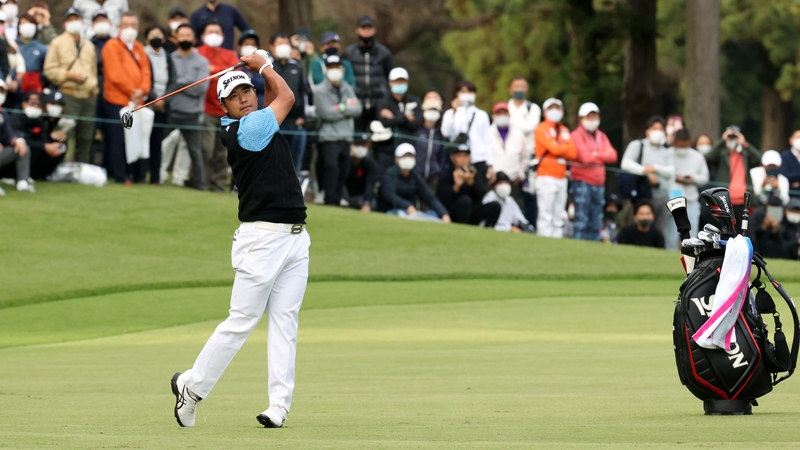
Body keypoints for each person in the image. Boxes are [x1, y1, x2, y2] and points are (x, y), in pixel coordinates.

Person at [171, 49, 310, 430]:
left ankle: (278, 406)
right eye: (234, 96)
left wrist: (257, 70)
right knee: (242, 320)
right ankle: (192, 389)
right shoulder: (247, 129)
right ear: (226, 109)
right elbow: (287, 97)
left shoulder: (260, 120)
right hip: (262, 240)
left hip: (296, 239)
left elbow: (274, 100)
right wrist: (264, 64)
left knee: (285, 323)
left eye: (247, 90)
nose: (244, 97)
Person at [42, 7, 97, 164]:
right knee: (64, 133)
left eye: (77, 19)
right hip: (68, 93)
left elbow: (93, 71)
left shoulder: (89, 45)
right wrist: (68, 75)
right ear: (65, 23)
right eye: (70, 19)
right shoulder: (57, 43)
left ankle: (81, 168)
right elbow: (49, 70)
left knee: (85, 137)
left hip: (88, 95)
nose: (74, 23)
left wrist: (94, 88)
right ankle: (57, 167)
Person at [101, 11, 150, 184]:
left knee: (138, 138)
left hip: (138, 102)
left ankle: (137, 174)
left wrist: (142, 90)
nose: (130, 29)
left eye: (133, 25)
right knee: (118, 141)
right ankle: (120, 175)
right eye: (126, 25)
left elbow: (146, 72)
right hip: (117, 101)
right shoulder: (111, 46)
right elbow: (115, 75)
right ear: (119, 27)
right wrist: (132, 92)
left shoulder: (139, 47)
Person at [313, 54, 361, 206]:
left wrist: (339, 107)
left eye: (337, 67)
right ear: (326, 69)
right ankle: (330, 199)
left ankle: (338, 198)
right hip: (328, 137)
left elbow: (357, 109)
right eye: (331, 67)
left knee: (344, 169)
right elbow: (326, 113)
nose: (335, 70)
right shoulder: (319, 90)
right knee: (331, 168)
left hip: (345, 136)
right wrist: (346, 107)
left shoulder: (347, 88)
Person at [197, 20, 239, 192]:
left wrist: (212, 69)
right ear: (202, 35)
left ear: (223, 36)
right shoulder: (198, 53)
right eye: (210, 31)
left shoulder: (230, 55)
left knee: (222, 153)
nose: (214, 34)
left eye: (217, 31)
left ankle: (218, 186)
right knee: (205, 149)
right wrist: (222, 72)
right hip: (204, 109)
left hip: (225, 111)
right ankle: (200, 181)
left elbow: (236, 75)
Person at [166, 24, 209, 191]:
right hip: (171, 111)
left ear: (194, 39)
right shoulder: (170, 58)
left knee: (195, 151)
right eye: (181, 35)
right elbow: (169, 85)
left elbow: (201, 88)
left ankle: (199, 184)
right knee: (158, 144)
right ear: (176, 38)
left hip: (192, 113)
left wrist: (180, 84)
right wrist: (186, 83)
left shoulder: (201, 61)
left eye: (188, 35)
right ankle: (152, 176)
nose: (184, 38)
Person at [620, 116, 675, 238]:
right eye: (655, 128)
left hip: (662, 195)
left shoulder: (667, 150)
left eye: (661, 129)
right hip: (642, 195)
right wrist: (645, 172)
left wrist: (655, 168)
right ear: (647, 131)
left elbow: (671, 171)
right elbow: (626, 163)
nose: (658, 132)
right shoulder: (638, 145)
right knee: (637, 228)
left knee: (658, 230)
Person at [571, 102, 617, 241]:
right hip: (582, 181)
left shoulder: (601, 136)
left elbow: (613, 155)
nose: (592, 120)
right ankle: (578, 247)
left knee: (596, 219)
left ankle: (593, 248)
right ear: (581, 119)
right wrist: (601, 155)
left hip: (599, 183)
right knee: (581, 218)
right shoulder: (576, 135)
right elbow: (584, 157)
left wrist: (595, 154)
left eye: (594, 116)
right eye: (588, 116)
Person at [704, 125, 761, 231]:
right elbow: (709, 157)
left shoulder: (745, 155)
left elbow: (758, 158)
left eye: (734, 137)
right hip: (723, 200)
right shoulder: (721, 155)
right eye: (730, 137)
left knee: (742, 231)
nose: (732, 140)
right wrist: (722, 140)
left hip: (742, 202)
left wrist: (744, 143)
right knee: (723, 230)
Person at [534, 98, 577, 238]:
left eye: (557, 108)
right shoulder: (542, 128)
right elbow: (554, 148)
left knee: (559, 214)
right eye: (551, 108)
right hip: (546, 175)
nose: (555, 111)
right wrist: (561, 148)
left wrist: (560, 148)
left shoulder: (564, 130)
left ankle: (557, 240)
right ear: (545, 112)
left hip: (562, 176)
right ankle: (544, 240)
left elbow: (573, 152)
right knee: (546, 213)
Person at [342, 16, 393, 132]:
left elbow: (389, 77)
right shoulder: (349, 53)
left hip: (379, 103)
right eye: (363, 27)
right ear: (357, 30)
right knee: (358, 140)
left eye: (369, 28)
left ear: (374, 30)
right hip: (356, 103)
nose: (366, 31)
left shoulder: (384, 53)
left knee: (379, 139)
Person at [378, 142, 450, 221]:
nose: (408, 159)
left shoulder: (415, 176)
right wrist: (407, 206)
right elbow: (390, 196)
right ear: (397, 159)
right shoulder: (389, 174)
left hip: (413, 213)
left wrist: (444, 213)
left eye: (410, 156)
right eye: (404, 156)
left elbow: (429, 197)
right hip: (393, 211)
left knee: (433, 214)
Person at [371, 67, 422, 174]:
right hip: (386, 150)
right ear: (390, 83)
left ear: (407, 83)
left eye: (402, 81)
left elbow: (417, 123)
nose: (399, 84)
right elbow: (385, 123)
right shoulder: (383, 102)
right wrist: (405, 117)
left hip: (409, 149)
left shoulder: (415, 101)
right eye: (396, 81)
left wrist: (394, 117)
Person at [441, 81, 494, 183]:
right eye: (463, 92)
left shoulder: (481, 115)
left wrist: (490, 164)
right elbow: (445, 132)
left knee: (477, 192)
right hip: (458, 161)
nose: (467, 94)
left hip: (478, 160)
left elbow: (487, 140)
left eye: (470, 92)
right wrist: (454, 111)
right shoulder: (450, 113)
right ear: (457, 94)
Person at [436, 146, 501, 227]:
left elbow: (482, 195)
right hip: (451, 213)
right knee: (465, 200)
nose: (463, 159)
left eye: (466, 156)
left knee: (495, 206)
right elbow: (441, 199)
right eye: (459, 156)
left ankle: (488, 231)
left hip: (472, 213)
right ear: (453, 158)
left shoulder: (474, 173)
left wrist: (472, 183)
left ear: (470, 158)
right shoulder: (446, 173)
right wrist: (456, 187)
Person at [270, 32, 306, 173]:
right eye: (280, 44)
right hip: (275, 121)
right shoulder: (267, 68)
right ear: (272, 47)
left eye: (286, 44)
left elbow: (302, 93)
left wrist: (302, 116)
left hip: (294, 121)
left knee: (293, 163)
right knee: (275, 161)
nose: (284, 47)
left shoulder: (296, 68)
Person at [142, 25, 172, 184]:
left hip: (163, 106)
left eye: (159, 35)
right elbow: (144, 78)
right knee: (143, 141)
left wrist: (164, 99)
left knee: (157, 143)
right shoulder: (142, 53)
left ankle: (155, 177)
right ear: (147, 38)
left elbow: (173, 80)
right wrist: (154, 98)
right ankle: (140, 175)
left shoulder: (167, 56)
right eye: (153, 34)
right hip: (147, 103)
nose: (156, 37)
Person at [669, 129, 709, 245]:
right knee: (671, 237)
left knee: (691, 238)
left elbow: (704, 177)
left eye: (684, 146)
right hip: (672, 201)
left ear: (689, 142)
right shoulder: (668, 154)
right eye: (679, 145)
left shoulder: (697, 156)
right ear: (674, 141)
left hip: (691, 201)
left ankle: (690, 261)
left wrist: (692, 179)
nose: (682, 149)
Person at [14, 90, 66, 180]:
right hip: (18, 148)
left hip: (35, 149)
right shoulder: (17, 117)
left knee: (59, 147)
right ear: (24, 104)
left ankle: (40, 175)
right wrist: (44, 145)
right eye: (32, 102)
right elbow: (19, 138)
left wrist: (52, 141)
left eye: (38, 103)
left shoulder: (38, 119)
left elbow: (41, 137)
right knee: (26, 149)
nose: (35, 105)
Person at [0, 79, 32, 194]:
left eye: (1, 91)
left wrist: (17, 141)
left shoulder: (3, 115)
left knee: (23, 148)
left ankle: (22, 182)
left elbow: (8, 135)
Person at [413, 92, 447, 193]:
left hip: (433, 178)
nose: (432, 112)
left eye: (435, 110)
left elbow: (442, 156)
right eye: (429, 109)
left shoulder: (441, 133)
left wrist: (439, 170)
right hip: (415, 176)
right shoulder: (416, 130)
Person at [90, 8, 111, 166]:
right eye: (97, 21)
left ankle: (108, 166)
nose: (101, 24)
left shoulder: (115, 43)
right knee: (93, 130)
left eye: (103, 20)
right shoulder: (88, 44)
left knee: (110, 131)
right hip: (94, 90)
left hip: (112, 91)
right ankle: (91, 164)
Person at [489, 102, 527, 186]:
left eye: (504, 113)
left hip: (513, 179)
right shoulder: (487, 133)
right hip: (492, 179)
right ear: (493, 117)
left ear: (509, 115)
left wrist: (520, 173)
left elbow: (525, 156)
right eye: (499, 113)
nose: (502, 116)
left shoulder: (519, 134)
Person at [343, 133, 380, 211]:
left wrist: (367, 203)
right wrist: (347, 158)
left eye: (363, 145)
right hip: (345, 194)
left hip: (361, 196)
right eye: (357, 144)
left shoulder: (370, 162)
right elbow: (341, 180)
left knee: (372, 204)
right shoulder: (344, 160)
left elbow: (370, 183)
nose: (360, 147)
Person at [16, 13, 46, 94]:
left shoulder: (42, 49)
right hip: (15, 87)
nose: (27, 26)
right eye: (23, 23)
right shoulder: (12, 46)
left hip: (33, 88)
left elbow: (45, 70)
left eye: (30, 23)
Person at [237, 29, 265, 105]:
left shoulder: (263, 63)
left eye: (253, 45)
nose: (250, 47)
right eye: (246, 44)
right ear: (240, 46)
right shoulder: (233, 62)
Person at [780, 129, 800, 198]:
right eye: (798, 137)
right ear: (791, 140)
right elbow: (784, 175)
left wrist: (796, 182)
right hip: (791, 197)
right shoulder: (784, 157)